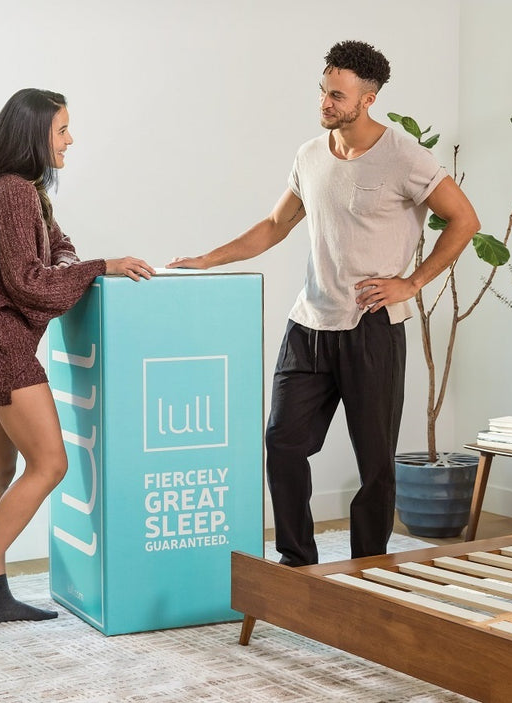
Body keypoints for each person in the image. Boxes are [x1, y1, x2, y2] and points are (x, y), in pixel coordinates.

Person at [168, 41, 480, 566]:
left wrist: (411, 282)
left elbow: (464, 220)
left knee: (375, 464)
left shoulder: (404, 155)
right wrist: (207, 259)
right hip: (308, 325)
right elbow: (275, 225)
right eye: (323, 91)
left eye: (338, 95)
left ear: (369, 98)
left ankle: (366, 570)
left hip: (372, 328)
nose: (326, 102)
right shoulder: (310, 155)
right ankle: (297, 564)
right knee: (283, 443)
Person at [0, 88, 155, 641]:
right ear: (34, 134)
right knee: (51, 465)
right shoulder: (15, 193)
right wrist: (101, 266)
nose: (70, 140)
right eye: (62, 130)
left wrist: (75, 261)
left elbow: (58, 248)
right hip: (2, 349)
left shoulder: (21, 191)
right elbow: (27, 281)